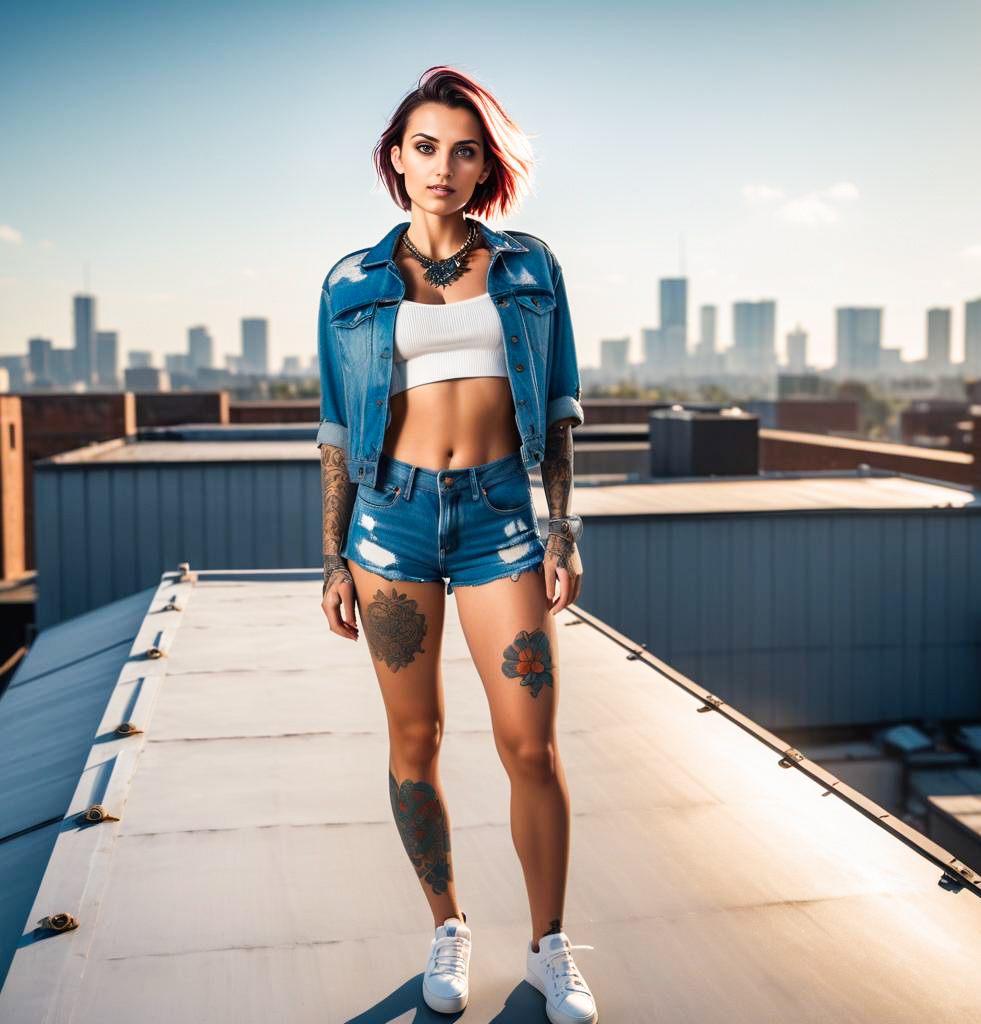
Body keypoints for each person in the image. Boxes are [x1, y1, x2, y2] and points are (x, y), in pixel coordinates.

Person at [317, 65, 596, 1023]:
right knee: (415, 739)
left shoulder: (529, 268)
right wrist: (330, 558)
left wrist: (562, 527)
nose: (443, 165)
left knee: (532, 747)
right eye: (425, 147)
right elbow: (331, 426)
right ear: (396, 159)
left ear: (487, 167)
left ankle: (550, 947)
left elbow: (557, 408)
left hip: (498, 523)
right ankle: (448, 925)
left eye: (464, 149)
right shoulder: (350, 282)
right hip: (387, 524)